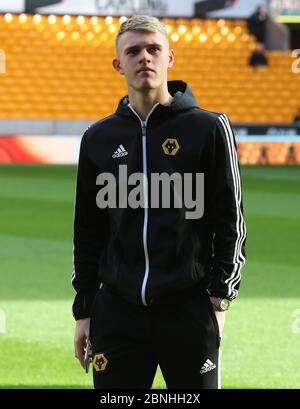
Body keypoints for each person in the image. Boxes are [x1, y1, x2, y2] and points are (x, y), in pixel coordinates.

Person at [72, 15, 246, 389]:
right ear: (119, 64)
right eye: (133, 51)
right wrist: (85, 310)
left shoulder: (210, 128)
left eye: (154, 49)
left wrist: (219, 301)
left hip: (188, 308)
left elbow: (230, 222)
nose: (144, 57)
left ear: (170, 57)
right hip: (117, 312)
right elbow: (87, 232)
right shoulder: (97, 138)